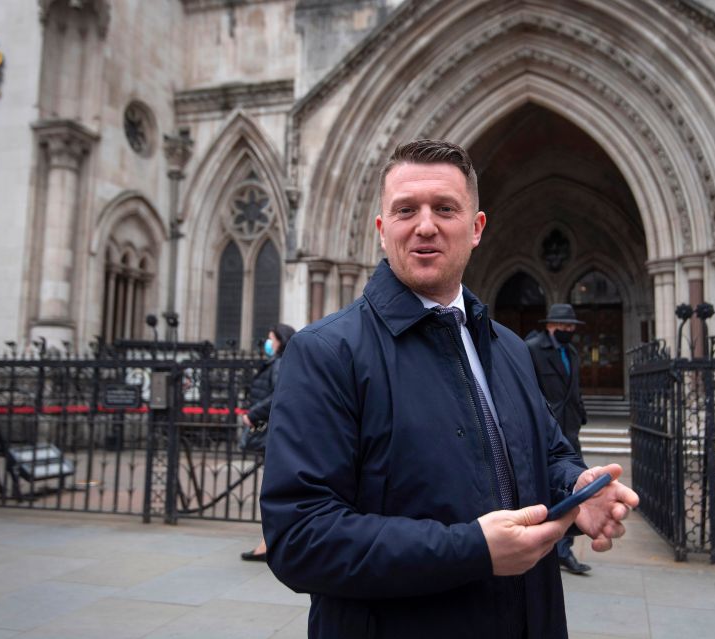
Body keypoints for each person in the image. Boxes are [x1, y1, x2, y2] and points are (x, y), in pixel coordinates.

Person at [260, 139, 638, 637]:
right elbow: (300, 537)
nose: (424, 225)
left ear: (477, 228)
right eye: (405, 210)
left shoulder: (507, 348)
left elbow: (547, 454)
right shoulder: (326, 352)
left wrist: (574, 488)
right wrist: (472, 551)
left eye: (444, 208)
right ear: (381, 230)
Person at [526, 304, 591, 575]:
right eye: (564, 327)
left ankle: (563, 548)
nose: (569, 331)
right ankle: (552, 546)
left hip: (570, 428)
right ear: (551, 325)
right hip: (545, 430)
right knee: (546, 487)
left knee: (578, 484)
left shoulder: (572, 352)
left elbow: (573, 388)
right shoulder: (532, 349)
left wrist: (580, 413)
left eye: (571, 327)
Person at [240, 323, 294, 562]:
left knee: (273, 488)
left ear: (280, 340)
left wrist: (253, 414)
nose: (268, 343)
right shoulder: (279, 362)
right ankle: (270, 541)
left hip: (275, 431)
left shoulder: (281, 363)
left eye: (271, 338)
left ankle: (269, 543)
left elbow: (278, 394)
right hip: (275, 430)